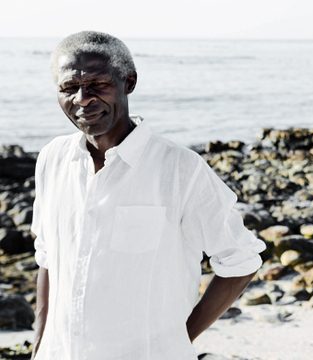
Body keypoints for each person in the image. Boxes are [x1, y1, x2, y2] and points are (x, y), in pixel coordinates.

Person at [30, 31, 265, 359]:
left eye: (98, 84)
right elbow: (47, 257)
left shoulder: (181, 169)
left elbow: (240, 261)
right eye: (69, 87)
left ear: (129, 82)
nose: (82, 98)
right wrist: (39, 344)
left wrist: (179, 341)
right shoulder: (52, 159)